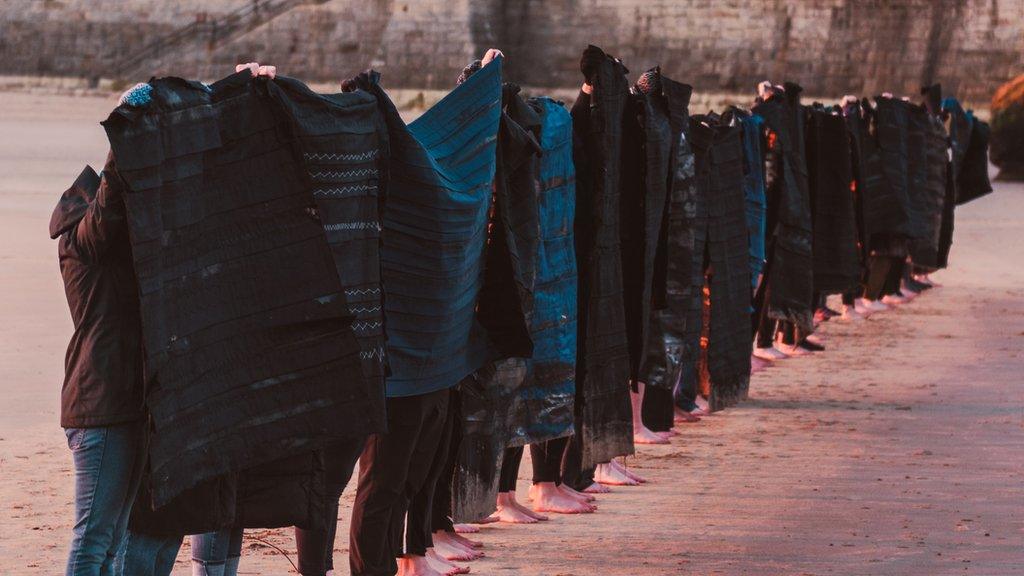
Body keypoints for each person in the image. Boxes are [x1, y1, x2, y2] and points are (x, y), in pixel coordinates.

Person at [53, 153, 147, 576]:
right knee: (93, 540)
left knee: (111, 540)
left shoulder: (105, 250)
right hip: (100, 404)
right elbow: (109, 209)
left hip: (119, 403)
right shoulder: (80, 241)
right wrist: (122, 149)